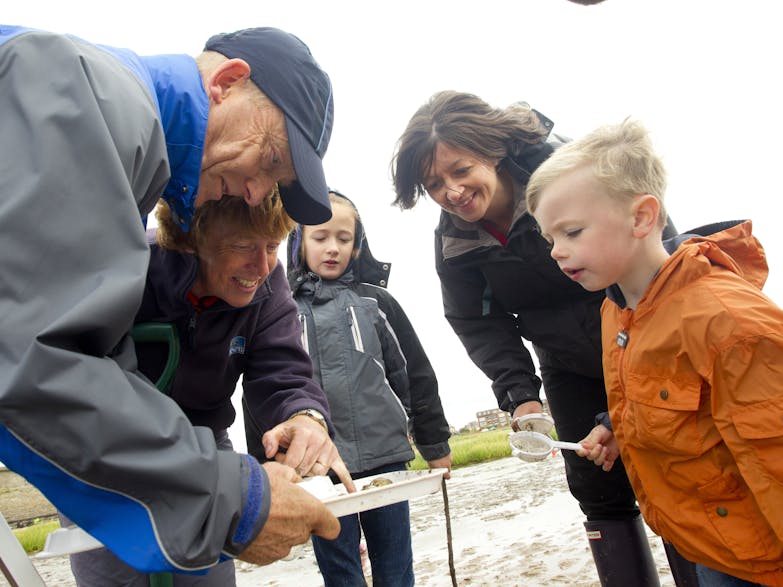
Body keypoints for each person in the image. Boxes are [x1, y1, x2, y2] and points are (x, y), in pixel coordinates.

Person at [0, 24, 340, 574]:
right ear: (227, 82)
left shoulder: (121, 150)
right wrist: (234, 501)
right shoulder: (87, 95)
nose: (258, 192)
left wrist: (304, 414)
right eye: (272, 159)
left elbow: (281, 364)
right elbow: (32, 356)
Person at [390, 91, 685, 586]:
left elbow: (655, 258)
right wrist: (522, 398)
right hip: (564, 359)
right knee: (594, 483)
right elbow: (479, 323)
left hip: (641, 336)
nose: (453, 192)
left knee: (674, 467)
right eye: (434, 183)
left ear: (493, 150)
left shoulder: (571, 177)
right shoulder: (456, 242)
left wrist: (632, 397)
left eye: (461, 170)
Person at [527, 117, 783, 587]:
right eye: (550, 239)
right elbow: (664, 399)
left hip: (760, 558)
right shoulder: (617, 312)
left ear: (642, 217)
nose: (556, 252)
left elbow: (775, 456)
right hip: (704, 539)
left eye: (572, 232)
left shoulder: (728, 320)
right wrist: (620, 431)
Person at [63, 193, 356, 586]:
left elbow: (282, 366)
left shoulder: (269, 281)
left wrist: (305, 416)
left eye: (271, 246)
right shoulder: (129, 268)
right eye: (242, 246)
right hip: (106, 448)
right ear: (189, 236)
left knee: (208, 575)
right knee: (115, 574)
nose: (262, 265)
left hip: (204, 439)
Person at [284, 190, 452, 586]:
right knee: (340, 572)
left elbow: (416, 375)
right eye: (320, 237)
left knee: (394, 567)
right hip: (317, 468)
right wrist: (269, 464)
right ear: (298, 242)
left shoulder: (378, 303)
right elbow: (266, 390)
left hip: (385, 458)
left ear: (357, 247)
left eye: (344, 239)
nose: (333, 248)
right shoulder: (282, 313)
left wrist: (435, 444)